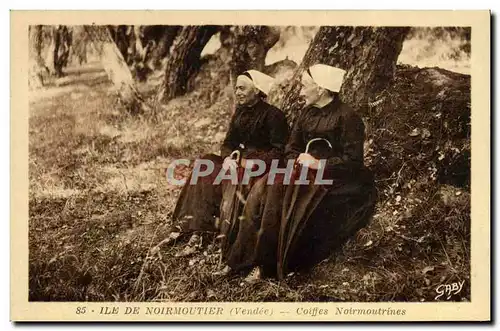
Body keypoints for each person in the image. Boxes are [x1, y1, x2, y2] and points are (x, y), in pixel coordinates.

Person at [220, 64, 377, 283]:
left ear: (321, 89)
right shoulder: (306, 114)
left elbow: (353, 162)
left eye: (305, 87)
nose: (301, 92)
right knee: (262, 189)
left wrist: (317, 163)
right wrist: (296, 162)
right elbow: (291, 148)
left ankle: (265, 264)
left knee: (279, 196)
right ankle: (239, 258)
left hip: (337, 180)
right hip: (302, 171)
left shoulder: (347, 117)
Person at [160, 69, 289, 258]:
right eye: (236, 88)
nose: (238, 92)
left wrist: (252, 162)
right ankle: (192, 226)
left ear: (257, 90)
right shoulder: (239, 112)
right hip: (236, 161)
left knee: (229, 176)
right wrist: (228, 157)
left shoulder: (274, 115)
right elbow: (228, 143)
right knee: (205, 163)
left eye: (243, 88)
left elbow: (279, 151)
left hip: (258, 167)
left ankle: (209, 233)